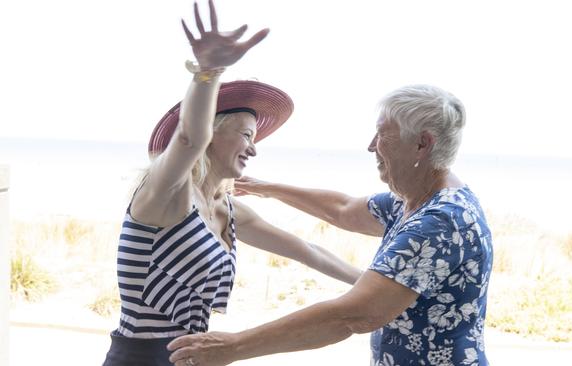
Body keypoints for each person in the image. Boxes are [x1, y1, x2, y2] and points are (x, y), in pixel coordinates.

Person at [102, 2, 361, 365]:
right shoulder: (167, 196)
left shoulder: (227, 209)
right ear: (213, 134)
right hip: (142, 357)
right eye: (246, 135)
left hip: (194, 355)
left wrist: (375, 287)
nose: (254, 149)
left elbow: (307, 251)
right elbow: (190, 138)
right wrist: (208, 72)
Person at [168, 84, 494, 365]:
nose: (371, 145)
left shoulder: (442, 221)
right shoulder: (412, 201)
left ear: (422, 144)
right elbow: (343, 209)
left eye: (382, 134)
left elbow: (353, 315)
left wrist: (233, 346)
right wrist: (266, 188)